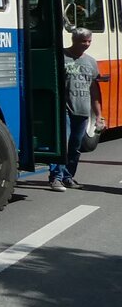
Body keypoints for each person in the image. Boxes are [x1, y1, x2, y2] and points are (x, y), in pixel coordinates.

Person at [50, 27, 104, 191]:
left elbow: (94, 91)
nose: (86, 44)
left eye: (89, 41)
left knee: (75, 145)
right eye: (83, 41)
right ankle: (56, 178)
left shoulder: (91, 62)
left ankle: (68, 177)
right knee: (63, 144)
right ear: (74, 40)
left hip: (82, 109)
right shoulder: (61, 57)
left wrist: (99, 115)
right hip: (64, 109)